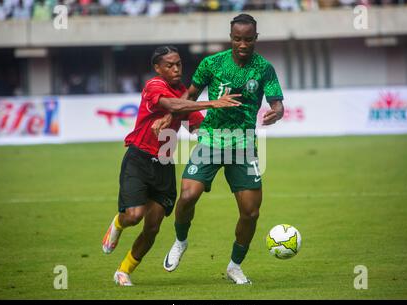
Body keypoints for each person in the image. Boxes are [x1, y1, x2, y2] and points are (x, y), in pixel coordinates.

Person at [101, 45, 241, 287]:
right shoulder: (154, 86)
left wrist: (219, 137)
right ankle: (118, 223)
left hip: (164, 165)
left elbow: (196, 126)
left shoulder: (184, 94)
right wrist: (213, 103)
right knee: (134, 216)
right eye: (169, 65)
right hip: (139, 159)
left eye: (178, 64)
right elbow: (175, 106)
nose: (176, 69)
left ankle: (123, 271)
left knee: (153, 227)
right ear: (157, 68)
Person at [162, 14, 285, 284]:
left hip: (244, 146)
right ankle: (181, 241)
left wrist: (276, 112)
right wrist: (170, 118)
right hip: (211, 140)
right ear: (231, 38)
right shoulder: (212, 63)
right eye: (237, 38)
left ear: (256, 38)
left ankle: (234, 266)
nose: (242, 44)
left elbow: (278, 103)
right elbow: (190, 96)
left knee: (251, 212)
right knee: (187, 196)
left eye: (248, 39)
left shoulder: (264, 69)